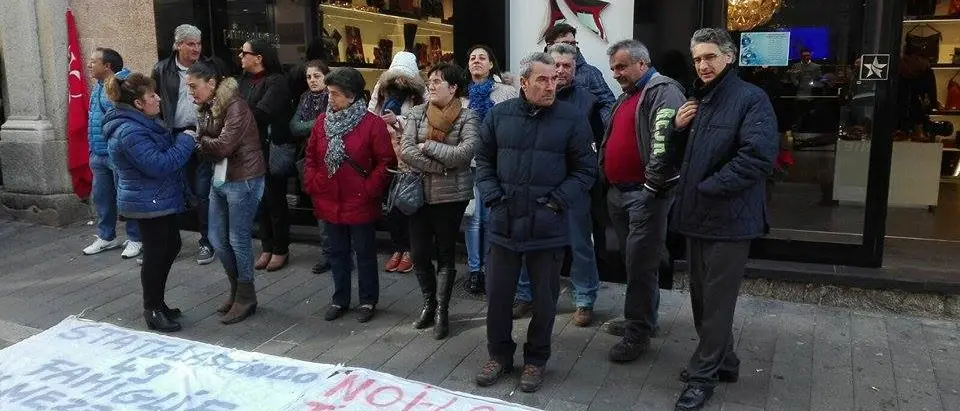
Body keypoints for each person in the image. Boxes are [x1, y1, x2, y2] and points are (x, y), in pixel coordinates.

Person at [474, 52, 597, 393]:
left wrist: (556, 202)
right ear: (524, 83)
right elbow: (482, 161)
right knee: (498, 298)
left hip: (548, 226)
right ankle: (498, 356)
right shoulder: (499, 115)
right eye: (542, 79)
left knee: (544, 301)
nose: (550, 85)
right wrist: (494, 199)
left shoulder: (571, 118)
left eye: (554, 79)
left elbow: (586, 170)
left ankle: (536, 360)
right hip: (504, 223)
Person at [670, 28, 778, 411]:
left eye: (710, 56)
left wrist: (709, 187)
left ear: (728, 57)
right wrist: (677, 129)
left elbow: (757, 157)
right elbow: (682, 157)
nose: (703, 65)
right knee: (703, 297)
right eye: (697, 58)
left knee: (715, 301)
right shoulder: (700, 98)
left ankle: (703, 377)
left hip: (729, 219)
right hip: (700, 216)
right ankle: (725, 362)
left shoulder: (750, 98)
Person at [597, 39, 687, 363]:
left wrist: (650, 190)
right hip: (621, 194)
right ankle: (643, 320)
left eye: (621, 66)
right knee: (634, 263)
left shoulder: (664, 91)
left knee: (639, 265)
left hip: (643, 195)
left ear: (642, 63)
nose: (616, 73)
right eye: (613, 68)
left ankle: (637, 334)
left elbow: (663, 145)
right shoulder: (629, 94)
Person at [513, 43, 604, 326]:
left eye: (568, 66)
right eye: (557, 65)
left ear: (576, 69)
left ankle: (584, 299)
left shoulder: (587, 101)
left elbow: (595, 147)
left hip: (573, 188)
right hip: (536, 187)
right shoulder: (526, 100)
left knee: (580, 246)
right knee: (528, 243)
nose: (561, 71)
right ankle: (525, 295)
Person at [101, 72, 195, 332]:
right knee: (156, 254)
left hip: (156, 198)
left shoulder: (142, 122)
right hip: (147, 202)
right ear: (138, 104)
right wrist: (186, 140)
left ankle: (158, 303)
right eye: (151, 95)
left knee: (170, 246)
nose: (158, 99)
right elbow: (159, 164)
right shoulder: (130, 131)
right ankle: (152, 308)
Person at [303, 68, 396, 324]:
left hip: (359, 200)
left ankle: (367, 300)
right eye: (329, 93)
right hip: (328, 198)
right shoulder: (322, 122)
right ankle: (340, 298)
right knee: (337, 253)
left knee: (365, 253)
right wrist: (312, 182)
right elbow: (311, 156)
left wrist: (370, 190)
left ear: (351, 96)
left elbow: (385, 161)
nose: (329, 98)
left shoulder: (372, 124)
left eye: (335, 94)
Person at [400, 62, 479, 340]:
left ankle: (442, 311)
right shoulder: (417, 113)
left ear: (454, 87)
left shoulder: (468, 117)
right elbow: (407, 149)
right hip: (419, 193)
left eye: (438, 81)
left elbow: (465, 153)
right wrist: (438, 166)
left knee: (445, 254)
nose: (431, 85)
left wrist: (430, 146)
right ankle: (428, 303)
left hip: (451, 197)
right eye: (430, 81)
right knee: (420, 253)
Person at [188, 61, 267, 325]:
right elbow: (214, 144)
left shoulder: (236, 106)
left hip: (244, 178)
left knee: (237, 238)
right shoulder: (207, 106)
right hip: (221, 177)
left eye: (193, 86)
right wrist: (205, 142)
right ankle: (237, 289)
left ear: (211, 83)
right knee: (216, 238)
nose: (191, 92)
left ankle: (246, 295)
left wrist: (200, 142)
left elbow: (222, 146)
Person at [151, 24, 215, 265]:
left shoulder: (208, 68)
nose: (196, 48)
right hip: (175, 135)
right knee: (176, 191)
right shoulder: (161, 69)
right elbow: (154, 102)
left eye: (198, 43)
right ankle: (172, 243)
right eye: (190, 43)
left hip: (202, 135)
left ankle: (207, 241)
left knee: (203, 191)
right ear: (178, 45)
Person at [463, 44, 519, 294]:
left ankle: (490, 267)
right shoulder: (460, 95)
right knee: (473, 219)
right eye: (472, 57)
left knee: (491, 218)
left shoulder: (506, 92)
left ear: (491, 64)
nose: (476, 61)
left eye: (482, 57)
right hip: (468, 163)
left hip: (497, 164)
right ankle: (475, 270)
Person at [238, 40, 295, 273]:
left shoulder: (277, 82)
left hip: (271, 148)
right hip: (249, 149)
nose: (240, 56)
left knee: (274, 200)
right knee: (258, 201)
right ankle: (267, 247)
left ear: (259, 57)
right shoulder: (242, 81)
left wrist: (236, 115)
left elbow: (261, 113)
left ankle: (281, 249)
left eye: (244, 53)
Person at [368, 51, 426, 274]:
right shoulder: (381, 90)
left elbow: (423, 120)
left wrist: (398, 120)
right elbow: (371, 113)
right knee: (390, 205)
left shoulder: (419, 94)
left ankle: (410, 250)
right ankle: (397, 248)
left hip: (408, 154)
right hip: (384, 151)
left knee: (408, 203)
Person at [83, 47, 142, 259]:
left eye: (93, 61)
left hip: (116, 154)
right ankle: (106, 236)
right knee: (102, 198)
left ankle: (136, 238)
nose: (89, 65)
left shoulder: (123, 85)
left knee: (126, 198)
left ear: (107, 66)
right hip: (98, 154)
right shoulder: (98, 86)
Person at [290, 60, 332, 275]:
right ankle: (327, 254)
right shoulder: (305, 98)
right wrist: (316, 123)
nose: (313, 81)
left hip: (331, 159)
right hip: (310, 158)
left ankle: (341, 252)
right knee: (319, 208)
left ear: (326, 76)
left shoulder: (334, 96)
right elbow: (294, 126)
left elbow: (330, 124)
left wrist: (314, 124)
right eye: (309, 77)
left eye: (317, 76)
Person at [543, 23, 616, 122]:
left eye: (573, 43)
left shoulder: (590, 73)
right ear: (550, 46)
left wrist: (592, 124)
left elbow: (609, 104)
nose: (571, 47)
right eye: (565, 43)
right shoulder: (538, 72)